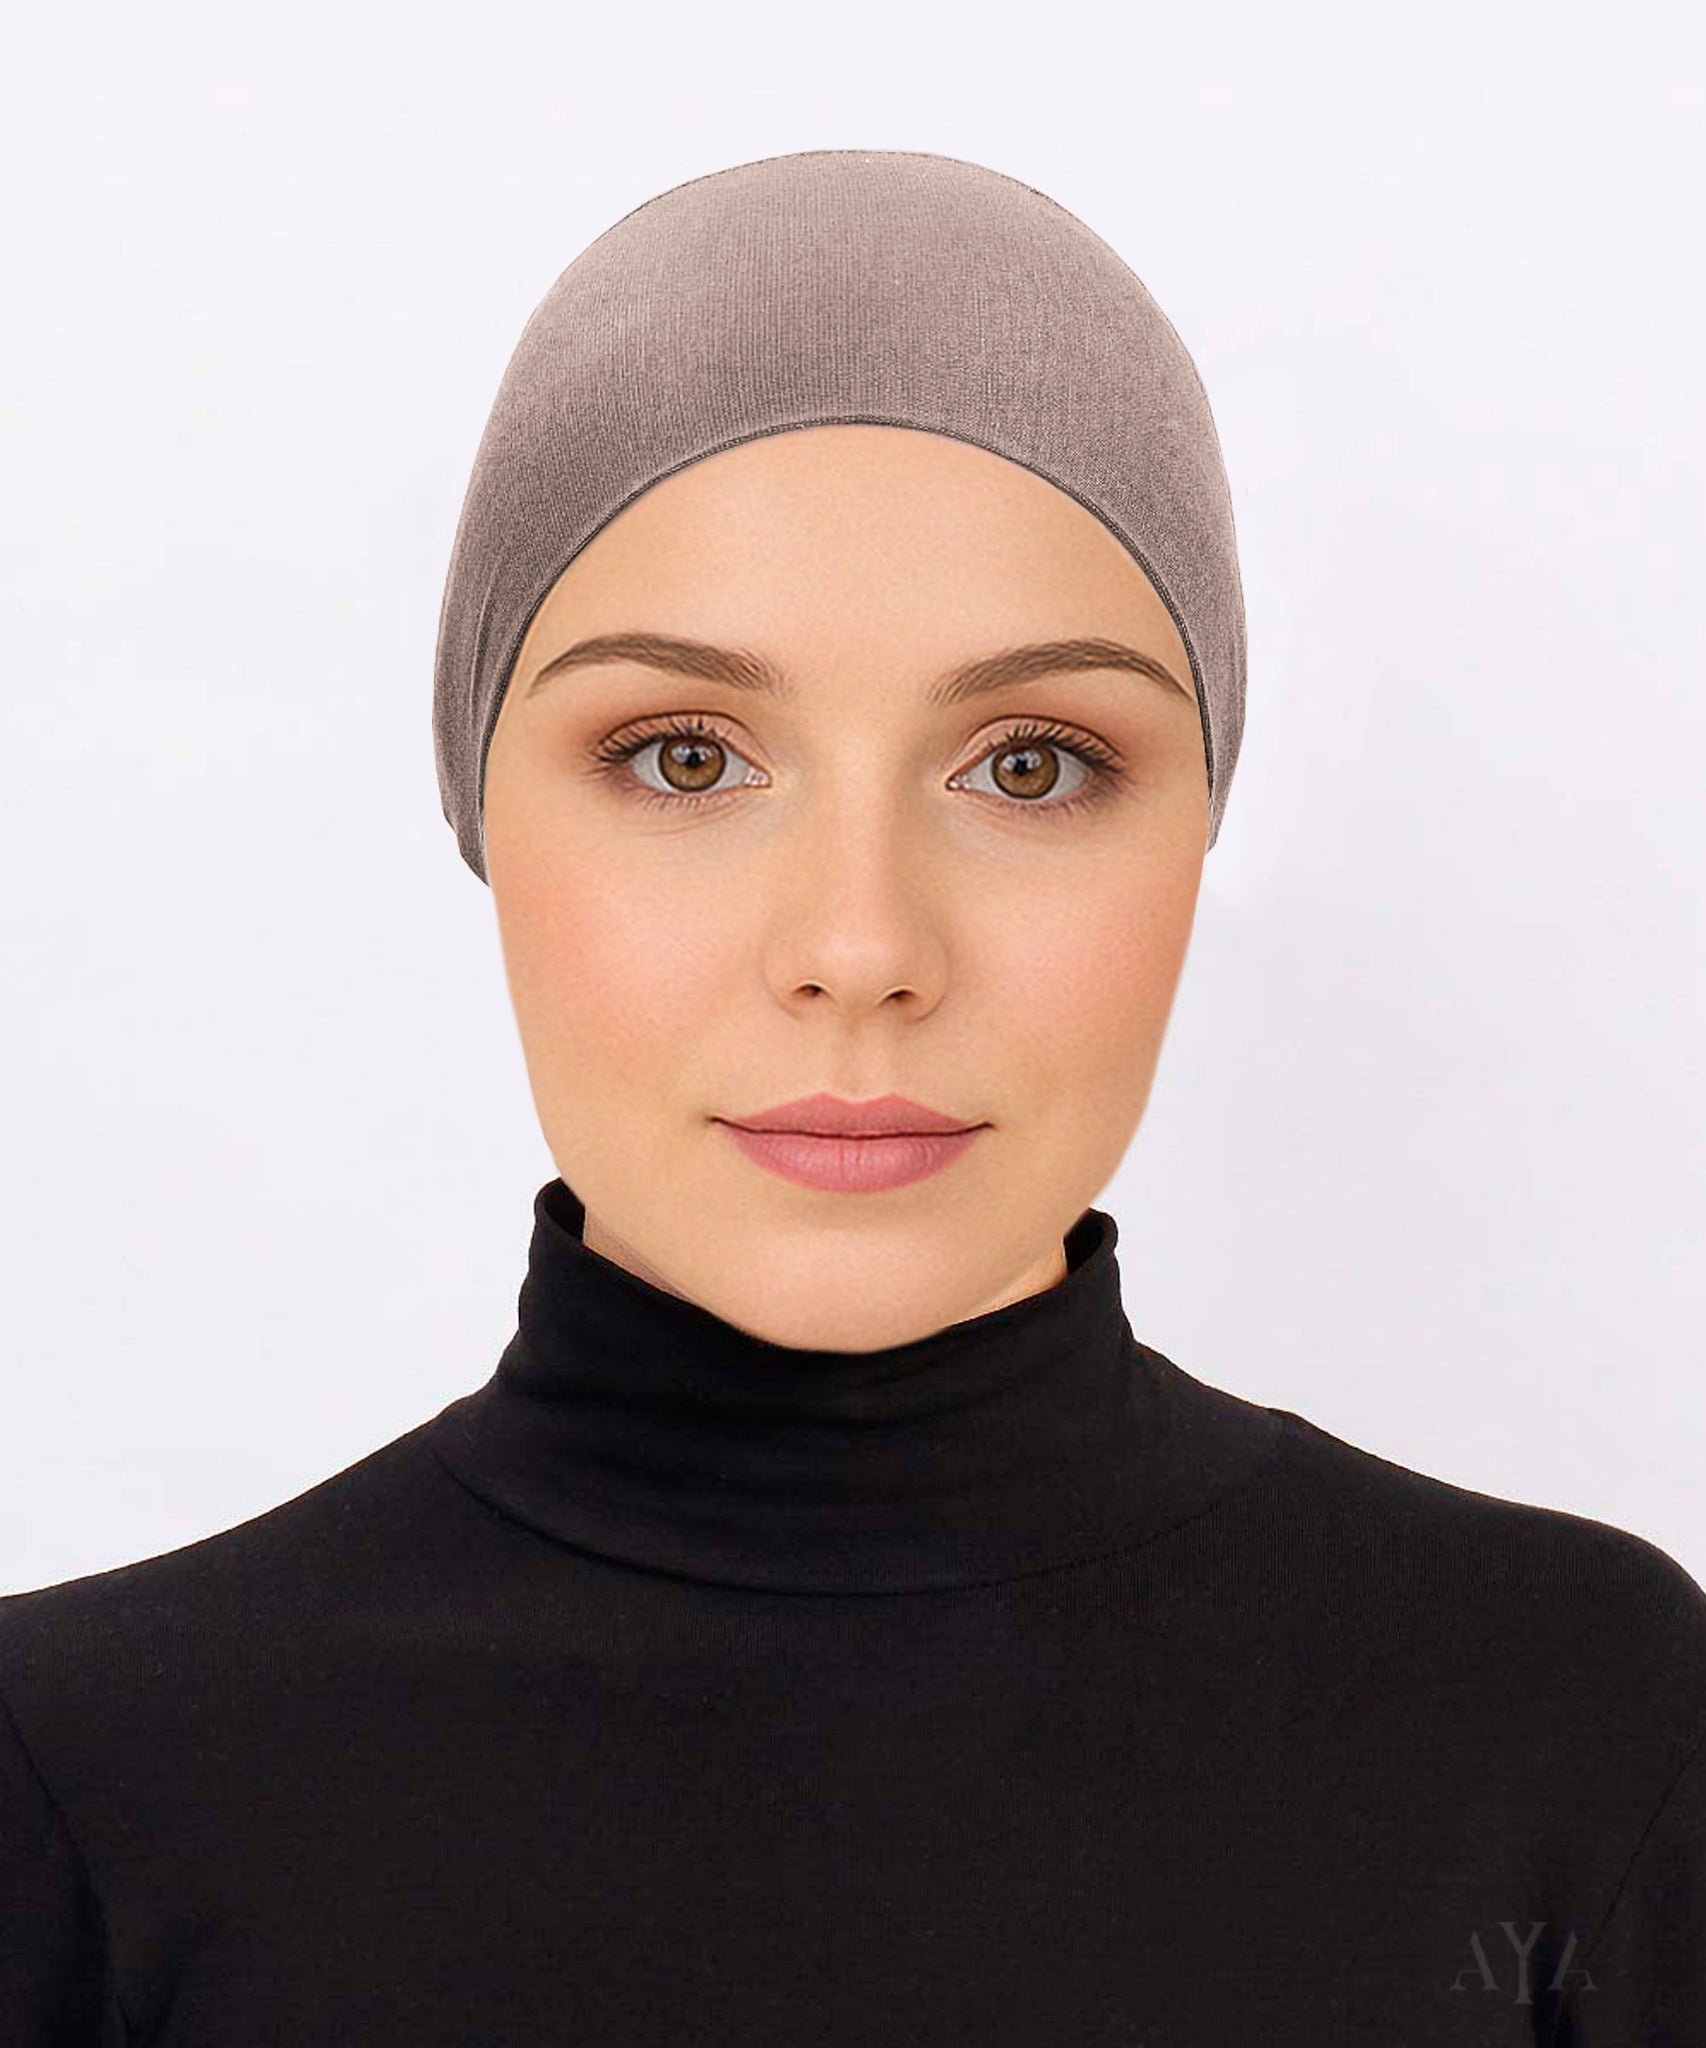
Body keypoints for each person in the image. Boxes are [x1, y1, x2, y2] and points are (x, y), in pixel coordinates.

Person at [3, 148, 1702, 2045]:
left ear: (1198, 824)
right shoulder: (71, 1789)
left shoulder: (1583, 1726)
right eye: (681, 756)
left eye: (1033, 765)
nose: (860, 945)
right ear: (483, 811)